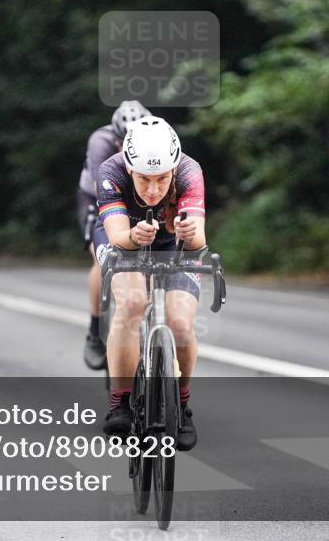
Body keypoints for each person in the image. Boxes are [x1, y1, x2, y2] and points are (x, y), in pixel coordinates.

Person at [94, 117, 206, 451]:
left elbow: (199, 240)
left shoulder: (189, 171)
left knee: (181, 323)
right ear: (129, 169)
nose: (154, 190)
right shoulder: (110, 171)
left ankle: (182, 407)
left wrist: (189, 233)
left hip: (174, 245)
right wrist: (132, 236)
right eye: (144, 179)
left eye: (162, 179)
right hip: (125, 238)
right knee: (130, 304)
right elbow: (116, 238)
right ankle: (120, 403)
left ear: (174, 169)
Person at [77, 101, 152, 370]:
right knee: (101, 259)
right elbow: (104, 189)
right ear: (116, 138)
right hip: (96, 195)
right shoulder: (101, 141)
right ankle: (95, 327)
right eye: (122, 142)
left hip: (140, 193)